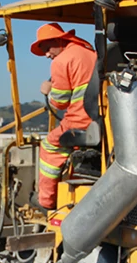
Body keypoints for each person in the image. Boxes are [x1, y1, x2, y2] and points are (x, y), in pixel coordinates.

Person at [29, 23, 97, 211]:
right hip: (100, 119)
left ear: (59, 40)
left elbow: (60, 103)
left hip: (80, 120)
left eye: (46, 48)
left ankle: (47, 201)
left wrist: (48, 91)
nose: (47, 55)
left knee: (49, 146)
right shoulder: (91, 53)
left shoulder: (61, 61)